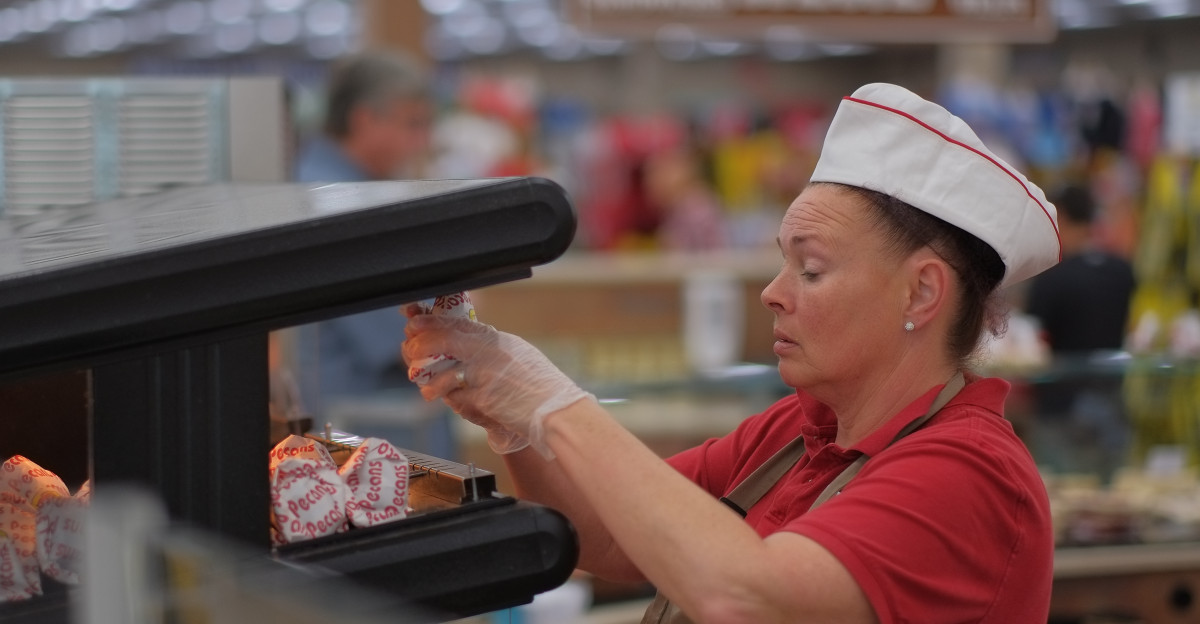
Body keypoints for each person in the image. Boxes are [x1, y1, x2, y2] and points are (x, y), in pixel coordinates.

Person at [402, 84, 1059, 623]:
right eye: (782, 263)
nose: (773, 294)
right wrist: (513, 424)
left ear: (921, 293)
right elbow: (604, 535)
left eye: (811, 270)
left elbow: (746, 596)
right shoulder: (795, 435)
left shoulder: (971, 474)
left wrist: (554, 404)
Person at [293, 51, 433, 418]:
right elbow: (417, 335)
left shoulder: (327, 185)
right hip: (363, 427)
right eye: (412, 124)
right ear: (365, 119)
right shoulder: (338, 201)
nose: (420, 141)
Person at [1027, 184, 1135, 354]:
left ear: (1060, 217)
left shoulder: (1052, 279)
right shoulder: (1122, 270)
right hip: (1114, 378)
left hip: (1063, 379)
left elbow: (1033, 338)